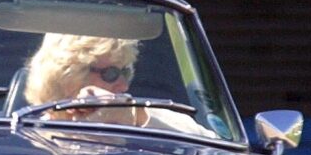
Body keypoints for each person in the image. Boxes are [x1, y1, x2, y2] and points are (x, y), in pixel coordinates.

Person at [23, 33, 211, 135]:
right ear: (70, 76)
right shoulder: (29, 135)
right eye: (111, 74)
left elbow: (211, 147)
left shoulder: (144, 115)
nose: (123, 86)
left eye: (125, 72)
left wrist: (136, 117)